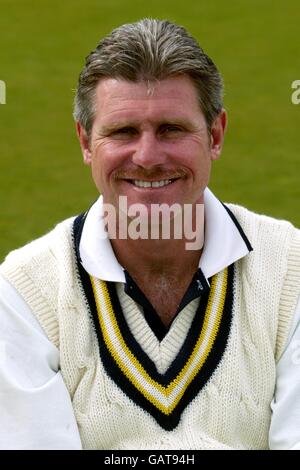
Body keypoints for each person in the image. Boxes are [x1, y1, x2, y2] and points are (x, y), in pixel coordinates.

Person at [0, 18, 300, 451]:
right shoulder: (25, 293)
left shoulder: (290, 268)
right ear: (86, 142)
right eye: (123, 132)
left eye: (171, 130)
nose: (147, 157)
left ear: (215, 135)